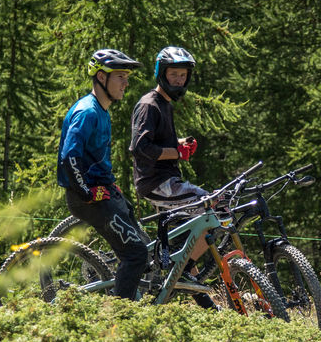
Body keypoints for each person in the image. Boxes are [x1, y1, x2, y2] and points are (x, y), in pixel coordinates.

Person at [57, 48, 148, 300]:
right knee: (136, 254)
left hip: (104, 193)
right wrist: (87, 192)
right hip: (89, 198)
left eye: (127, 77)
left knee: (142, 245)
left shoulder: (101, 110)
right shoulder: (87, 112)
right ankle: (121, 319)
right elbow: (69, 157)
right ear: (100, 77)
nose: (126, 83)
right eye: (120, 76)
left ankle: (130, 295)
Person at [129, 46, 215, 308]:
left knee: (203, 222)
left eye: (183, 75)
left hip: (166, 181)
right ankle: (183, 271)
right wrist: (176, 152)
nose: (179, 80)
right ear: (161, 73)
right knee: (214, 208)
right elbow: (140, 148)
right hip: (156, 183)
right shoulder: (149, 105)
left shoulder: (164, 104)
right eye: (174, 74)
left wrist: (179, 145)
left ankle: (186, 279)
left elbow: (158, 143)